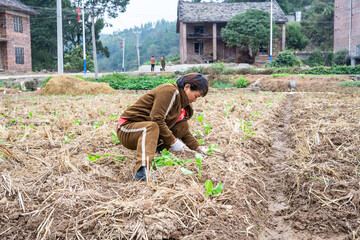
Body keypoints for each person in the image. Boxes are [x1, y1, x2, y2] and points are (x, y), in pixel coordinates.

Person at [116, 73, 208, 181]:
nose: (195, 100)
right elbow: (156, 119)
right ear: (187, 87)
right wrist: (173, 141)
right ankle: (142, 170)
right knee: (151, 127)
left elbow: (184, 131)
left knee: (182, 125)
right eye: (196, 96)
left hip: (144, 132)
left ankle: (159, 150)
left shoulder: (184, 104)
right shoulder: (170, 91)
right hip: (127, 129)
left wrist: (198, 148)